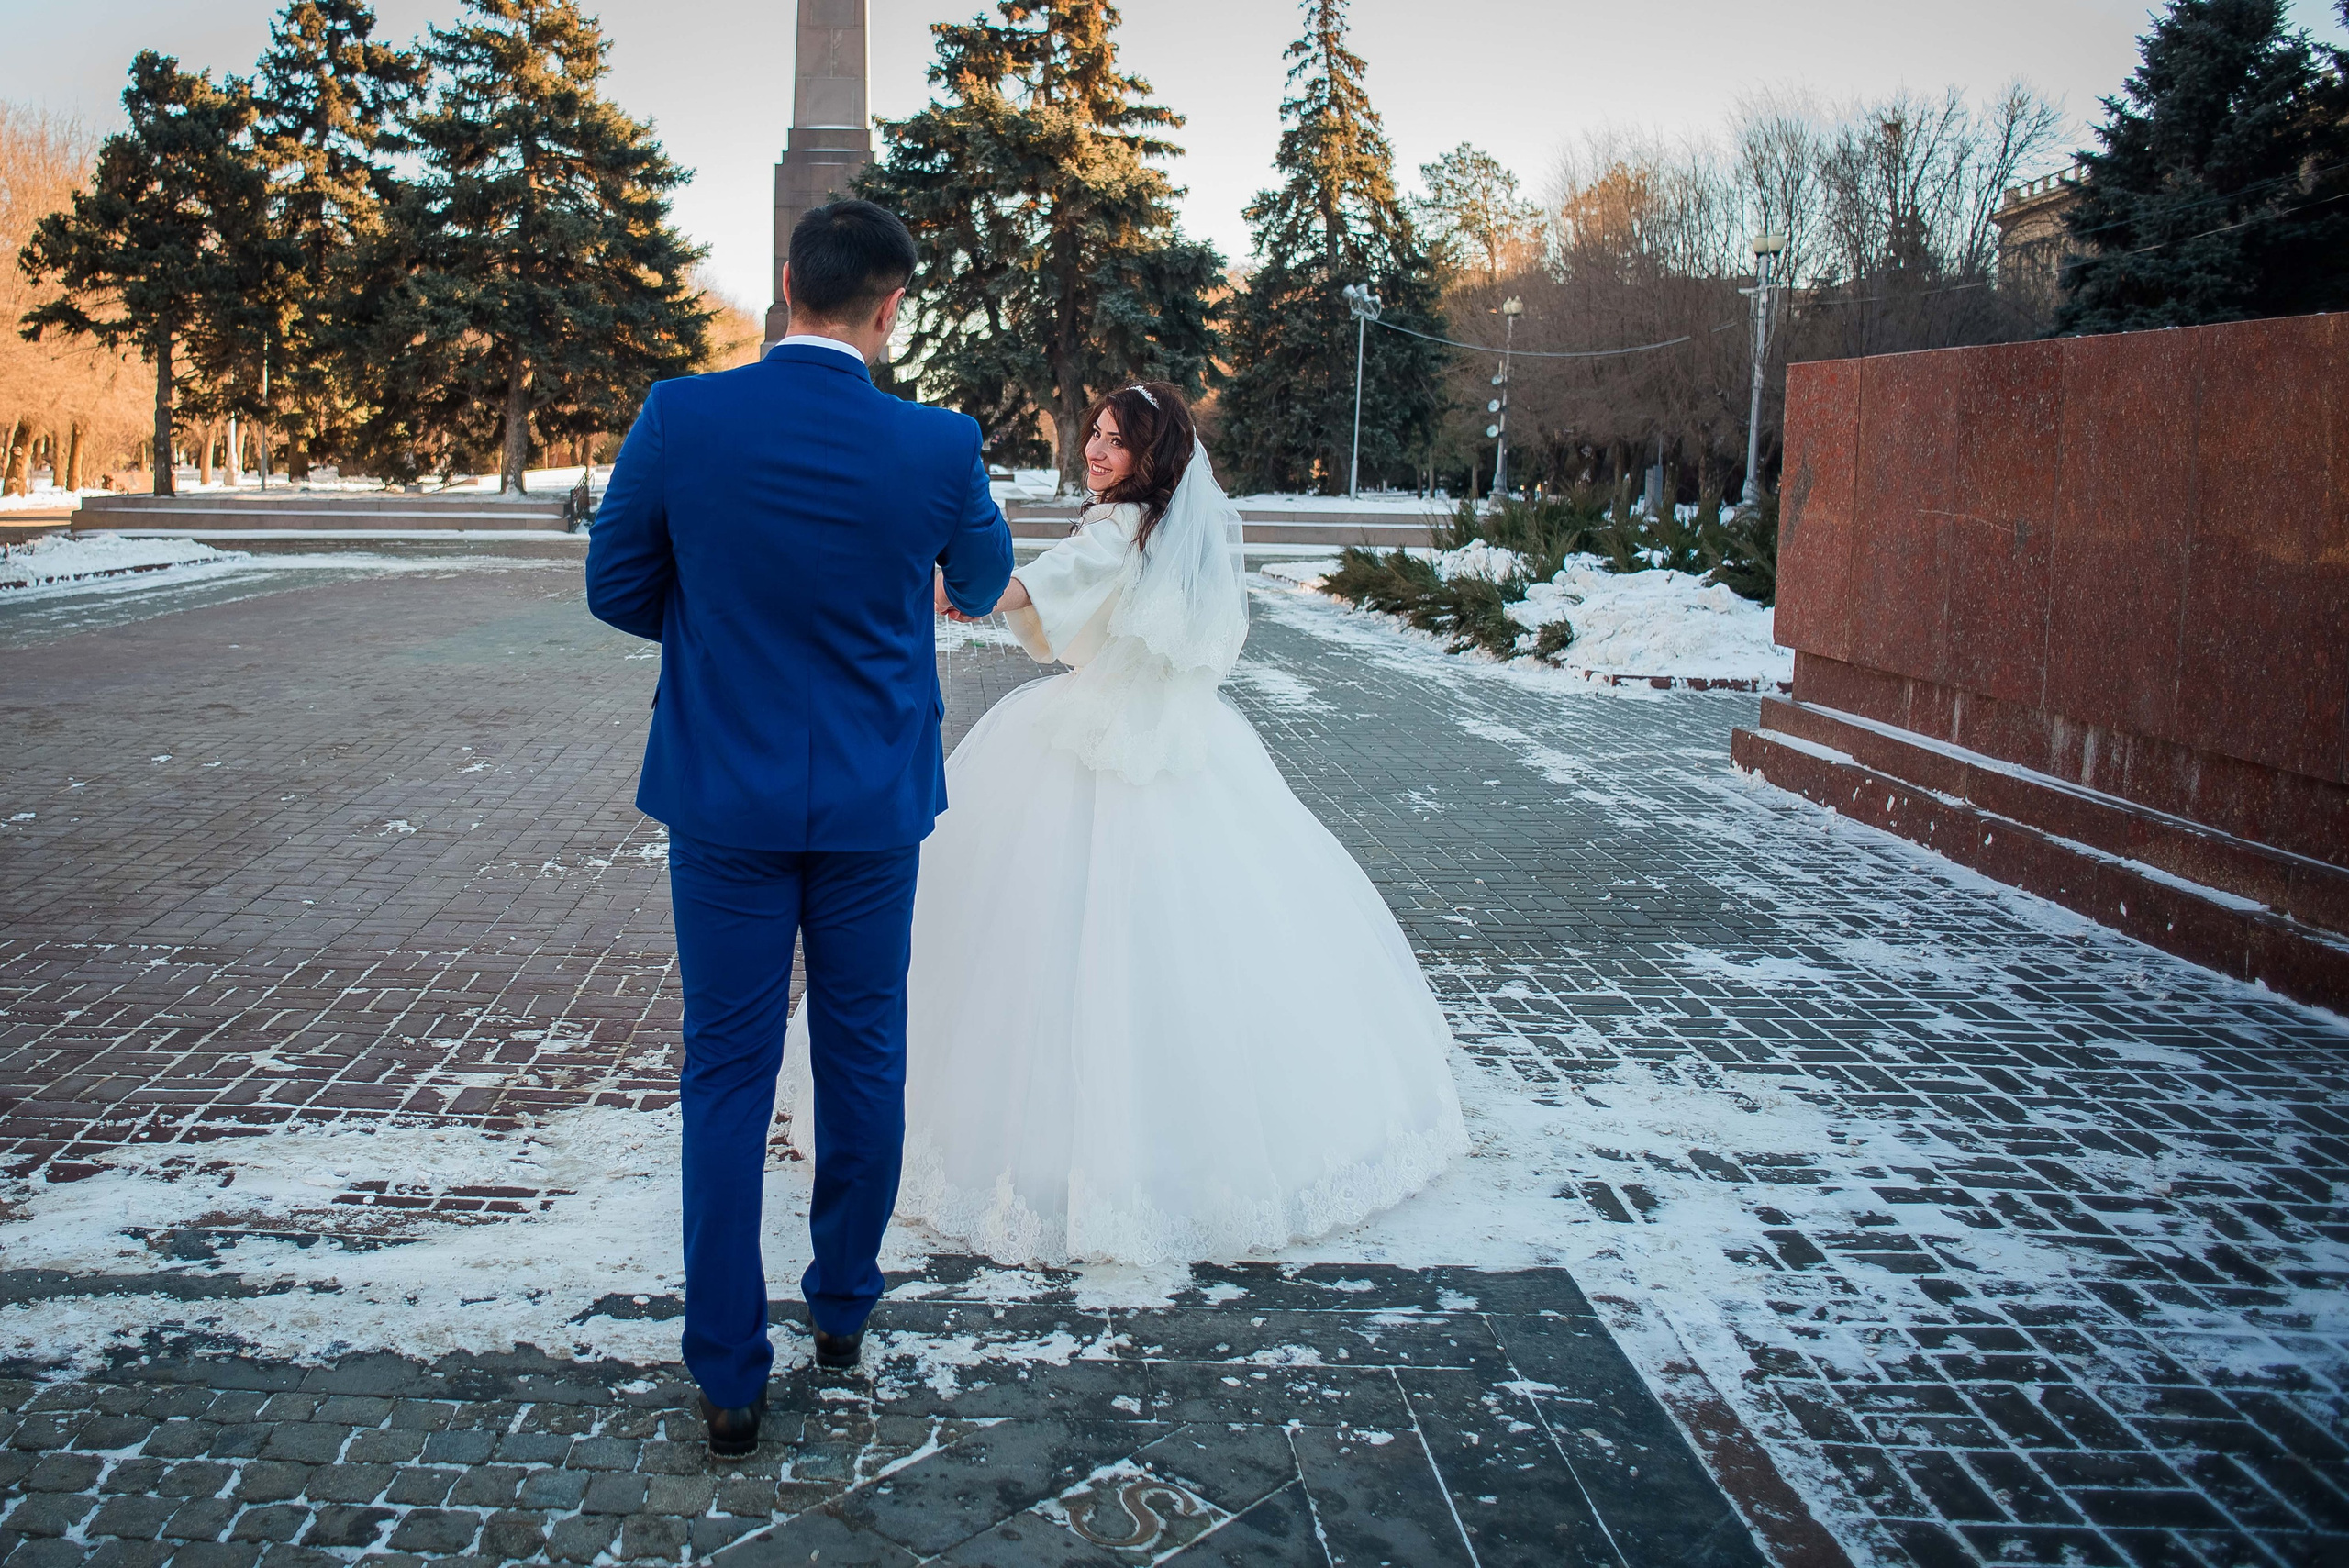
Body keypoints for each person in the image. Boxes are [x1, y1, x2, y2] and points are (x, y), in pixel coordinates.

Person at [780, 383, 1466, 1267]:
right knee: (1201, 934)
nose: (1097, 452)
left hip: (1096, 728)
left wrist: (978, 588)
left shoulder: (1114, 528)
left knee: (1049, 929)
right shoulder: (1166, 531)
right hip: (1182, 734)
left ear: (1154, 455)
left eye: (1116, 441)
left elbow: (1044, 584)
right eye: (1095, 435)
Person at [585, 200, 1013, 1457]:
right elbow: (982, 583)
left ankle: (726, 1372)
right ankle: (841, 1308)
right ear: (892, 310)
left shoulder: (682, 415)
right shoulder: (938, 443)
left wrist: (725, 641)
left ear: (785, 285)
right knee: (862, 1049)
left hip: (724, 791)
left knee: (724, 1066)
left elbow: (617, 585)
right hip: (874, 796)